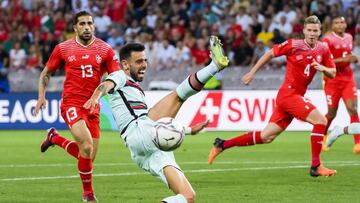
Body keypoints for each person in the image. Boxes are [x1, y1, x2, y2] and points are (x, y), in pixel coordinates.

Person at [83, 37, 229, 203]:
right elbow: (107, 84)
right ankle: (214, 66)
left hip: (143, 150)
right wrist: (96, 97)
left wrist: (188, 130)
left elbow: (162, 127)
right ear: (125, 64)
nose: (144, 65)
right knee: (178, 95)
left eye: (145, 60)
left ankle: (214, 66)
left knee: (187, 196)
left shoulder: (134, 87)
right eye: (138, 61)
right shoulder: (120, 76)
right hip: (139, 130)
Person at [208, 15, 338, 177]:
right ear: (304, 31)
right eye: (309, 30)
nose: (312, 33)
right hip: (289, 95)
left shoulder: (323, 49)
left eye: (315, 31)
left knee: (266, 136)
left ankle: (222, 144)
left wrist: (323, 68)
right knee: (321, 121)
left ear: (320, 32)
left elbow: (333, 72)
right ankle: (316, 166)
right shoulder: (293, 45)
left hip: (295, 96)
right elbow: (270, 53)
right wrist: (252, 72)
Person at [34, 11, 121, 202]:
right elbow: (46, 73)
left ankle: (55, 138)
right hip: (71, 103)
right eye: (82, 24)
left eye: (90, 23)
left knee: (88, 156)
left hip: (93, 106)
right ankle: (88, 194)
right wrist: (41, 96)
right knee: (87, 146)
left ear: (94, 26)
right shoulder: (63, 48)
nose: (87, 27)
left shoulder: (105, 49)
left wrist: (103, 94)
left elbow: (116, 78)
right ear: (75, 28)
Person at [321, 16, 359, 153]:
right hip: (332, 79)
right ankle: (322, 137)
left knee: (353, 109)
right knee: (331, 114)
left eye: (342, 22)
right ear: (332, 26)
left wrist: (352, 58)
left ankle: (358, 143)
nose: (340, 25)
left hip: (348, 77)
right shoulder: (327, 39)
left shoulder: (349, 37)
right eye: (336, 22)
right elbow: (323, 62)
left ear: (346, 24)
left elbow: (347, 55)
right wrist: (344, 59)